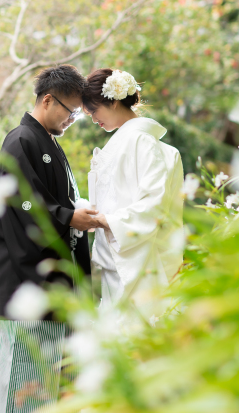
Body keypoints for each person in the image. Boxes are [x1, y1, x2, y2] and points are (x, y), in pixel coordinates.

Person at [0, 64, 99, 317]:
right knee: (25, 355)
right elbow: (23, 203)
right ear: (48, 100)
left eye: (76, 115)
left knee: (51, 354)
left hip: (52, 278)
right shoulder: (21, 140)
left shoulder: (47, 141)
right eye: (71, 112)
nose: (71, 121)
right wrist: (69, 217)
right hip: (22, 282)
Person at [82, 68, 184, 321]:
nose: (94, 119)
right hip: (118, 254)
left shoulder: (140, 141)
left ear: (113, 101)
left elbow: (154, 203)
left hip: (137, 256)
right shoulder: (127, 140)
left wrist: (104, 220)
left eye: (94, 111)